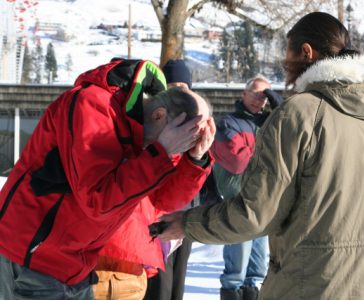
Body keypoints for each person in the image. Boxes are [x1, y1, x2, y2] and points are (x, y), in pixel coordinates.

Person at [159, 12, 364, 300]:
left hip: (311, 286)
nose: (285, 65)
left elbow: (255, 215)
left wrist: (186, 223)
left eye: (287, 54)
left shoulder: (299, 113)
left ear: (306, 52)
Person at [0, 58, 215, 299]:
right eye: (183, 140)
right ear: (159, 115)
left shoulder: (153, 135)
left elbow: (163, 201)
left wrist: (195, 160)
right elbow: (96, 199)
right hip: (34, 255)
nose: (179, 148)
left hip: (75, 263)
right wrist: (162, 151)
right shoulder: (92, 104)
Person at [210, 74, 282, 300]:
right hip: (237, 200)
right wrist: (269, 153)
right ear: (243, 93)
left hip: (262, 201)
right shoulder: (227, 123)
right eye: (255, 93)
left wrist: (277, 104)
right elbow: (237, 162)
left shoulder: (269, 122)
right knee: (236, 269)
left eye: (265, 96)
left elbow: (291, 128)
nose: (259, 100)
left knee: (256, 270)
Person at [144, 59, 197, 300]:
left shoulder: (198, 123)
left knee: (178, 283)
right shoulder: (154, 121)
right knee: (159, 287)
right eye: (172, 84)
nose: (178, 90)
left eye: (183, 86)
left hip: (186, 214)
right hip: (158, 215)